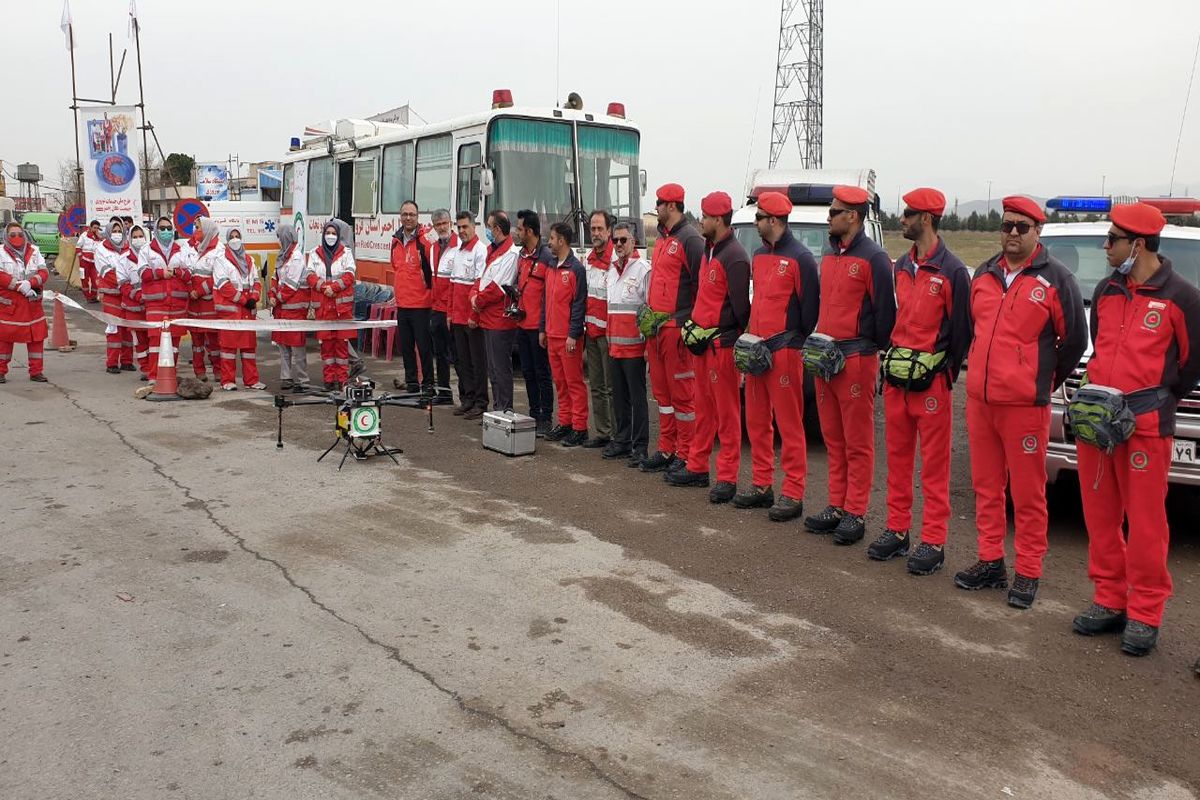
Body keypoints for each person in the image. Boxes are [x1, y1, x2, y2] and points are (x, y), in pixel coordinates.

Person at [1071, 203, 1200, 655]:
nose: (1105, 247)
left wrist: (1154, 401)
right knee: (1100, 516)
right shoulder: (1106, 291)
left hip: (1145, 428)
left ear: (1138, 245)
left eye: (1112, 240)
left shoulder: (1182, 297)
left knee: (1147, 523)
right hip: (1098, 425)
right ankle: (1109, 598)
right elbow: (1100, 347)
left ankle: (1145, 611)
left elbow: (1189, 368)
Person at [954, 195, 1087, 609]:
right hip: (980, 400)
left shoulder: (1056, 280)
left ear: (1037, 231)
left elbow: (1075, 343)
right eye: (1007, 225)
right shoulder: (986, 273)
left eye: (1021, 227)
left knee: (1028, 494)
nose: (1012, 233)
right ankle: (990, 560)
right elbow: (975, 330)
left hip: (1025, 406)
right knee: (986, 487)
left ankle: (1028, 571)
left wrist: (1039, 380)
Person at [869, 188, 971, 575]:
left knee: (934, 466)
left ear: (926, 219)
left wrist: (944, 373)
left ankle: (933, 540)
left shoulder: (953, 271)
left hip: (930, 385)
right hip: (897, 381)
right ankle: (897, 530)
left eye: (909, 213)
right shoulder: (901, 268)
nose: (902, 219)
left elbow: (961, 332)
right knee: (896, 460)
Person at [803, 185, 897, 544]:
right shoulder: (830, 255)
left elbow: (885, 315)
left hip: (856, 359)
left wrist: (865, 346)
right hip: (826, 357)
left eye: (833, 212)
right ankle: (836, 505)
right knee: (833, 438)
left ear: (852, 216)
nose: (829, 217)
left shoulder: (874, 259)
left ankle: (855, 512)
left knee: (857, 441)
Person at [731, 191, 820, 520]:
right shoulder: (758, 254)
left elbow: (810, 312)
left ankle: (793, 494)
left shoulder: (801, 259)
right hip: (756, 351)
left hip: (784, 352)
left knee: (790, 424)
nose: (755, 223)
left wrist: (791, 343)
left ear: (774, 220)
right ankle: (761, 484)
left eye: (759, 218)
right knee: (756, 421)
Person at [669, 192, 751, 501]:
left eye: (704, 216)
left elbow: (741, 309)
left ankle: (727, 478)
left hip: (722, 347)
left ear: (718, 219)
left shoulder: (735, 256)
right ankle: (698, 466)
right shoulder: (709, 249)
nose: (700, 220)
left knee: (727, 415)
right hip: (703, 345)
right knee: (703, 409)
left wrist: (728, 335)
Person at [643, 183, 705, 472]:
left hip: (676, 329)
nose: (656, 207)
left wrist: (687, 324)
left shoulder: (691, 239)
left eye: (659, 203)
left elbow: (700, 286)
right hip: (656, 329)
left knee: (682, 395)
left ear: (671, 205)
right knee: (663, 395)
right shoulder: (663, 237)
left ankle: (687, 453)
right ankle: (667, 448)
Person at [604, 222, 651, 465]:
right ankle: (622, 441)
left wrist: (648, 347)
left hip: (634, 347)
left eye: (624, 240)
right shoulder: (611, 271)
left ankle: (640, 446)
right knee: (619, 398)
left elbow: (650, 310)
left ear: (633, 242)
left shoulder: (643, 270)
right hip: (615, 347)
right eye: (616, 241)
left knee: (637, 399)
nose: (619, 245)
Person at [541, 221, 589, 446]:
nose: (549, 242)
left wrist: (573, 334)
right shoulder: (551, 265)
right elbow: (545, 300)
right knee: (560, 382)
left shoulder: (576, 269)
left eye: (552, 238)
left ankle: (580, 427)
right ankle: (565, 422)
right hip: (552, 335)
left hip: (568, 338)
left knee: (574, 383)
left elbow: (579, 304)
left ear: (561, 241)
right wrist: (543, 328)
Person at [471, 211, 519, 412]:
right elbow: (482, 279)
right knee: (492, 369)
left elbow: (498, 288)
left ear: (497, 229)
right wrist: (474, 294)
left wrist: (478, 300)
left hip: (500, 319)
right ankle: (498, 408)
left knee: (500, 369)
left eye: (489, 227)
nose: (488, 231)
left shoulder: (511, 254)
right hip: (488, 318)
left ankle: (505, 409)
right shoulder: (492, 250)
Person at [138, 216, 192, 384]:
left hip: (177, 304)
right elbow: (142, 273)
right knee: (156, 341)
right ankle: (154, 376)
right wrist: (160, 273)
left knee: (174, 343)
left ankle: (170, 374)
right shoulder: (146, 250)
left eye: (169, 228)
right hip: (156, 304)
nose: (166, 231)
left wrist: (177, 273)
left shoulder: (181, 249)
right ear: (155, 230)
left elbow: (189, 273)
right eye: (162, 228)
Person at [514, 209, 555, 434]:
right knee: (527, 373)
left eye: (519, 229)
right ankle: (533, 412)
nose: (517, 232)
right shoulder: (522, 255)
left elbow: (549, 295)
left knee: (542, 373)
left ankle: (546, 417)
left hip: (538, 327)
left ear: (529, 231)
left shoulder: (547, 257)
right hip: (521, 324)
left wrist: (544, 327)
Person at [307, 220, 357, 391]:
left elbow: (350, 275)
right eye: (327, 233)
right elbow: (309, 275)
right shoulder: (314, 253)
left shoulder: (346, 253)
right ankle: (329, 379)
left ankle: (342, 379)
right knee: (326, 346)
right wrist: (323, 287)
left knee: (341, 346)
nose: (330, 236)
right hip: (323, 306)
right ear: (323, 235)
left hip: (341, 309)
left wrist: (334, 288)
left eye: (333, 233)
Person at [390, 200, 434, 395]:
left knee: (424, 348)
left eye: (412, 214)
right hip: (403, 304)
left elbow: (432, 271)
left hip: (421, 304)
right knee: (406, 348)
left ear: (418, 217)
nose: (408, 218)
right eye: (405, 214)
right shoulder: (395, 240)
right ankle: (412, 385)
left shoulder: (425, 241)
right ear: (401, 216)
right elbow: (396, 268)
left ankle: (428, 386)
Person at [212, 228, 264, 390]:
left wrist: (254, 298)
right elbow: (223, 286)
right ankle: (228, 381)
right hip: (230, 312)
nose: (235, 240)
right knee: (228, 349)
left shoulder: (249, 260)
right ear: (227, 241)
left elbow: (256, 281)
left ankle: (252, 380)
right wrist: (243, 300)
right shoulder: (221, 260)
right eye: (232, 237)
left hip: (247, 312)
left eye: (238, 237)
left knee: (249, 349)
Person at [449, 212, 489, 418]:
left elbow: (479, 285)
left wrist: (474, 315)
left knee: (477, 361)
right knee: (462, 360)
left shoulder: (481, 251)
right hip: (456, 316)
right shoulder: (457, 251)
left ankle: (481, 402)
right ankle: (467, 398)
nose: (462, 231)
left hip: (472, 318)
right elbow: (453, 285)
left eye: (465, 227)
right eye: (459, 227)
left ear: (474, 227)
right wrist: (449, 313)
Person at [582, 210, 616, 448]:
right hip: (592, 332)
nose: (595, 233)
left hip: (609, 334)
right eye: (592, 229)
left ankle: (617, 435)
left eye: (599, 229)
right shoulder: (590, 260)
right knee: (596, 385)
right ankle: (603, 433)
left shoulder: (615, 260)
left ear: (609, 231)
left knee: (612, 388)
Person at [0, 221, 50, 383]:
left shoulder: (35, 251)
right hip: (11, 305)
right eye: (12, 234)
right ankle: (0, 371)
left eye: (20, 234)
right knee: (5, 339)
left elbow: (44, 271)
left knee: (36, 338)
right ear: (6, 237)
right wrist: (19, 286)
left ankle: (36, 372)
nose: (17, 237)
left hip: (32, 303)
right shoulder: (0, 252)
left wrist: (32, 283)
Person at [268, 225, 313, 392]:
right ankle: (286, 377)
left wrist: (276, 298)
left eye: (280, 238)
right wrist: (272, 295)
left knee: (297, 347)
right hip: (282, 310)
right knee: (283, 345)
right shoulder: (282, 257)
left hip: (295, 310)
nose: (279, 241)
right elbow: (275, 278)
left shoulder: (296, 257)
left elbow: (291, 285)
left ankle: (303, 380)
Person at [94, 219, 136, 374]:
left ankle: (127, 361)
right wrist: (124, 281)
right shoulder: (101, 249)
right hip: (112, 295)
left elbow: (132, 268)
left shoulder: (128, 247)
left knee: (127, 328)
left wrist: (128, 283)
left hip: (126, 294)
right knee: (114, 328)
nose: (117, 234)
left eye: (119, 231)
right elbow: (106, 272)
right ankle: (112, 362)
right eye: (114, 231)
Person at [427, 208, 458, 404]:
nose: (441, 227)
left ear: (450, 223)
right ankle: (444, 393)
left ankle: (465, 396)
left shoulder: (459, 246)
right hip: (437, 308)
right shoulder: (433, 248)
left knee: (458, 355)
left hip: (452, 309)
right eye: (437, 225)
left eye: (444, 223)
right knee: (440, 353)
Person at [187, 218, 222, 381]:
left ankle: (218, 370)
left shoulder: (219, 250)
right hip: (193, 305)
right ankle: (199, 371)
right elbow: (187, 271)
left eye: (198, 228)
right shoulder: (193, 249)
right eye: (195, 227)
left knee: (214, 341)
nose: (196, 230)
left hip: (209, 304)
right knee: (196, 342)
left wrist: (200, 291)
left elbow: (219, 277)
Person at [117, 225, 151, 379]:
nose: (138, 239)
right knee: (140, 341)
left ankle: (155, 367)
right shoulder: (123, 259)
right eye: (135, 237)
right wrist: (138, 296)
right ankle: (145, 368)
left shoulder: (153, 256)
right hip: (133, 308)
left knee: (154, 339)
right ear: (130, 239)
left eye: (140, 236)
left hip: (151, 307)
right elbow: (123, 284)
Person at [77, 219, 101, 303]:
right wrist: (81, 258)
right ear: (90, 227)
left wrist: (100, 238)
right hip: (84, 261)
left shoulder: (99, 238)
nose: (96, 229)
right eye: (94, 228)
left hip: (94, 262)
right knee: (84, 280)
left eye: (97, 228)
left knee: (95, 280)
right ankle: (88, 297)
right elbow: (78, 247)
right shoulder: (84, 235)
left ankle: (94, 296)